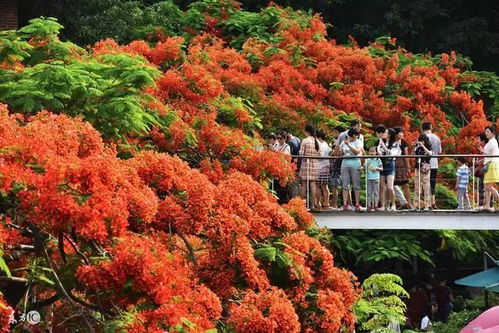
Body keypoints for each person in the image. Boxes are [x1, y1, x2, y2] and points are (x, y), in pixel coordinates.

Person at [299, 124, 321, 210]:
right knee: (313, 185)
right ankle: (312, 205)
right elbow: (319, 154)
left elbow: (301, 153)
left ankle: (302, 205)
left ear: (306, 131)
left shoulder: (305, 141)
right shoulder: (317, 141)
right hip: (315, 164)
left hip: (305, 163)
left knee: (303, 185)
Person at [341, 129, 363, 211]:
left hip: (355, 163)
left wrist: (349, 145)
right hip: (345, 164)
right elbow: (341, 153)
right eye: (356, 135)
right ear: (353, 135)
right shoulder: (344, 142)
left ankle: (357, 204)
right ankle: (345, 204)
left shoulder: (358, 142)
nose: (357, 136)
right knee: (345, 185)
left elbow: (357, 152)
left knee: (356, 184)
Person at [422, 122, 442, 209]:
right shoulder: (436, 138)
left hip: (426, 163)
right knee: (432, 183)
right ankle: (433, 202)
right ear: (431, 128)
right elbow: (440, 151)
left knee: (426, 183)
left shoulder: (422, 137)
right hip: (435, 162)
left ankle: (429, 203)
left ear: (422, 128)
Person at [375, 125, 395, 211]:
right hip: (382, 164)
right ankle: (383, 205)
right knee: (382, 186)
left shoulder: (394, 143)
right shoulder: (381, 142)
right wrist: (379, 148)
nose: (384, 133)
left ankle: (393, 204)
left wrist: (383, 146)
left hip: (390, 165)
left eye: (386, 132)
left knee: (390, 187)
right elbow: (378, 152)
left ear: (389, 134)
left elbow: (391, 153)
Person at [393, 127, 413, 209]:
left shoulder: (404, 143)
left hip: (402, 165)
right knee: (392, 185)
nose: (402, 134)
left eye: (402, 132)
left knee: (405, 184)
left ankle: (409, 203)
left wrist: (408, 167)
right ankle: (400, 203)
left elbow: (406, 155)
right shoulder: (391, 142)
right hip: (393, 164)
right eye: (400, 133)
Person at [481, 126, 499, 211]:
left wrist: (482, 151)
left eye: (488, 131)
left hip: (491, 164)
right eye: (486, 131)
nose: (486, 133)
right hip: (489, 164)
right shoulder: (491, 141)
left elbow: (491, 155)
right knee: (486, 186)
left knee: (488, 186)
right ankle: (487, 206)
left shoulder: (492, 142)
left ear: (492, 132)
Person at [413, 134, 433, 210]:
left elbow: (430, 154)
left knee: (426, 187)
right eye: (420, 141)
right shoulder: (418, 148)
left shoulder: (429, 147)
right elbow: (413, 155)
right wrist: (416, 146)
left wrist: (423, 147)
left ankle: (427, 205)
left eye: (422, 141)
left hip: (426, 169)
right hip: (417, 168)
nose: (421, 142)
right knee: (417, 187)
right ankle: (416, 205)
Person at [283, 128, 302, 199]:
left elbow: (289, 155)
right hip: (299, 164)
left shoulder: (290, 142)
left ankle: (294, 200)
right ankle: (297, 200)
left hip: (293, 165)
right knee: (296, 183)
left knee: (292, 184)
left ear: (288, 133)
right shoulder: (298, 139)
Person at [317, 129, 333, 210]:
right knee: (324, 186)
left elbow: (321, 156)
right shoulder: (326, 144)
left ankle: (319, 202)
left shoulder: (321, 145)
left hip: (321, 167)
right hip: (326, 167)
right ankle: (326, 202)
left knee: (319, 186)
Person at [365, 146, 383, 211]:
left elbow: (381, 168)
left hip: (376, 177)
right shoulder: (367, 160)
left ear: (376, 152)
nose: (372, 153)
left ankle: (375, 205)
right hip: (369, 178)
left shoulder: (378, 160)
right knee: (369, 192)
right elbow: (364, 167)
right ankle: (369, 205)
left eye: (373, 151)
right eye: (370, 151)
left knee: (376, 192)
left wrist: (376, 168)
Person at [474, 132, 488, 208]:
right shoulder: (482, 147)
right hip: (483, 170)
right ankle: (484, 204)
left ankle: (481, 205)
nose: (477, 140)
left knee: (483, 188)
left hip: (484, 170)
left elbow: (485, 157)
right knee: (483, 187)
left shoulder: (484, 147)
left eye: (478, 139)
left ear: (483, 140)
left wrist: (478, 162)